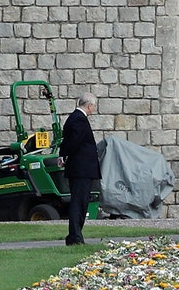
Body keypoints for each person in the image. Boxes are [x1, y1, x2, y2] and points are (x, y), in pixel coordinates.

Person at [58, 92, 101, 245]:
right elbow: (73, 142)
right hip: (81, 169)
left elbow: (67, 141)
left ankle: (75, 236)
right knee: (79, 203)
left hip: (80, 168)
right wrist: (64, 155)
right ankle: (75, 237)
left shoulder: (75, 118)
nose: (93, 109)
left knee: (81, 202)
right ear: (89, 105)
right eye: (93, 106)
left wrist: (63, 155)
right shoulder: (79, 120)